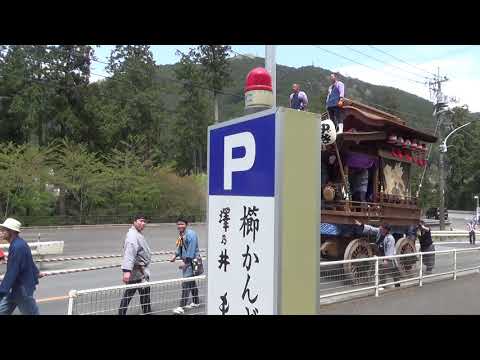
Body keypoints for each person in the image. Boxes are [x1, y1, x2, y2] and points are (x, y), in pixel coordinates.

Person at [0, 218, 44, 315]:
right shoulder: (19, 243)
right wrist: (36, 272)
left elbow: (12, 272)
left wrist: (2, 291)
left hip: (21, 289)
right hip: (15, 288)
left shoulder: (17, 247)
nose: (1, 232)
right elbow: (29, 261)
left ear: (11, 231)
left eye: (3, 230)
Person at [118, 214, 152, 315]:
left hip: (141, 270)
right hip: (136, 270)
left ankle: (147, 311)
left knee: (144, 292)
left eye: (144, 221)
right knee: (130, 293)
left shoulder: (137, 234)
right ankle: (121, 313)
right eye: (140, 221)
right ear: (134, 221)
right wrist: (127, 271)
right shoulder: (133, 235)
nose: (143, 223)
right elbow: (130, 252)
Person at [354, 219, 400, 288]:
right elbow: (371, 229)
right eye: (380, 227)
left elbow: (390, 251)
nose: (380, 228)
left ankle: (396, 285)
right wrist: (361, 225)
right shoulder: (379, 232)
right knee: (383, 269)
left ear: (386, 230)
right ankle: (382, 285)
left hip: (390, 259)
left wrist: (386, 260)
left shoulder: (390, 238)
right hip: (381, 256)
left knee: (393, 271)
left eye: (382, 227)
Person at [170, 217, 200, 315]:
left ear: (186, 224)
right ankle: (196, 302)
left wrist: (186, 263)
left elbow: (191, 250)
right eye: (178, 224)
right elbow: (180, 247)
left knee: (186, 283)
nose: (180, 226)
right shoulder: (182, 234)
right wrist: (175, 255)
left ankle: (181, 306)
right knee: (191, 282)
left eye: (182, 224)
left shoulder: (191, 234)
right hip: (187, 261)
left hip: (191, 262)